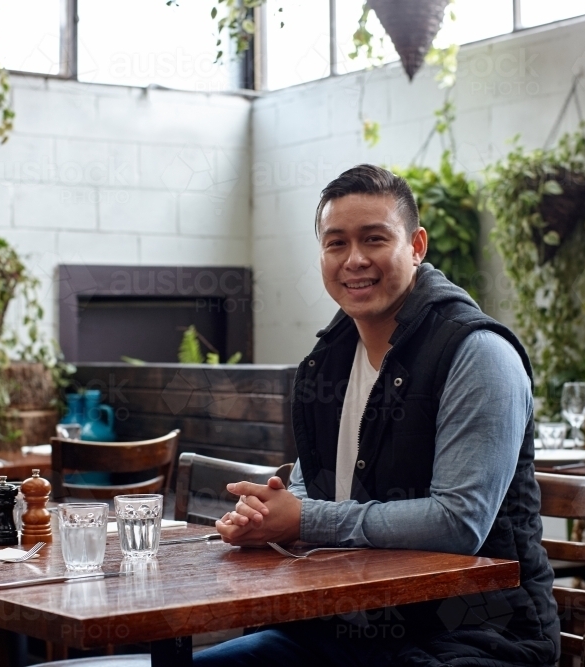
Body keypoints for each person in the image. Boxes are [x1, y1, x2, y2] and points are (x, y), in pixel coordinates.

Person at [193, 164, 560, 667]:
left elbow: (459, 523)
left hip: (472, 636)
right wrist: (264, 518)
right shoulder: (330, 358)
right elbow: (309, 488)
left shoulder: (477, 353)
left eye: (374, 239)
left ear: (417, 246)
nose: (355, 260)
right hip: (342, 626)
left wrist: (303, 519)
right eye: (336, 243)